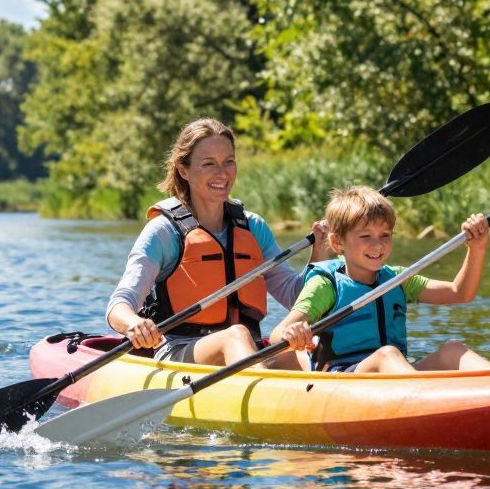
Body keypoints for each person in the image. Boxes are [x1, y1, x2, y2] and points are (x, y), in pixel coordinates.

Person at [107, 118, 326, 367]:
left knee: (303, 348)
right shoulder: (164, 232)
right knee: (236, 335)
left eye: (228, 162)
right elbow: (119, 305)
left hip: (246, 352)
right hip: (180, 354)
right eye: (209, 164)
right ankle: (262, 392)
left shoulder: (253, 228)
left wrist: (321, 251)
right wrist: (133, 323)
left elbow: (296, 297)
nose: (222, 173)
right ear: (183, 170)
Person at [271, 185, 490, 373]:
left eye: (385, 236)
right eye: (365, 237)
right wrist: (292, 333)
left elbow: (458, 292)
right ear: (338, 242)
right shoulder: (326, 284)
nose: (377, 245)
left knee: (452, 350)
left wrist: (477, 249)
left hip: (396, 376)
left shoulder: (397, 279)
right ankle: (431, 400)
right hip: (346, 379)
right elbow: (277, 334)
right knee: (388, 355)